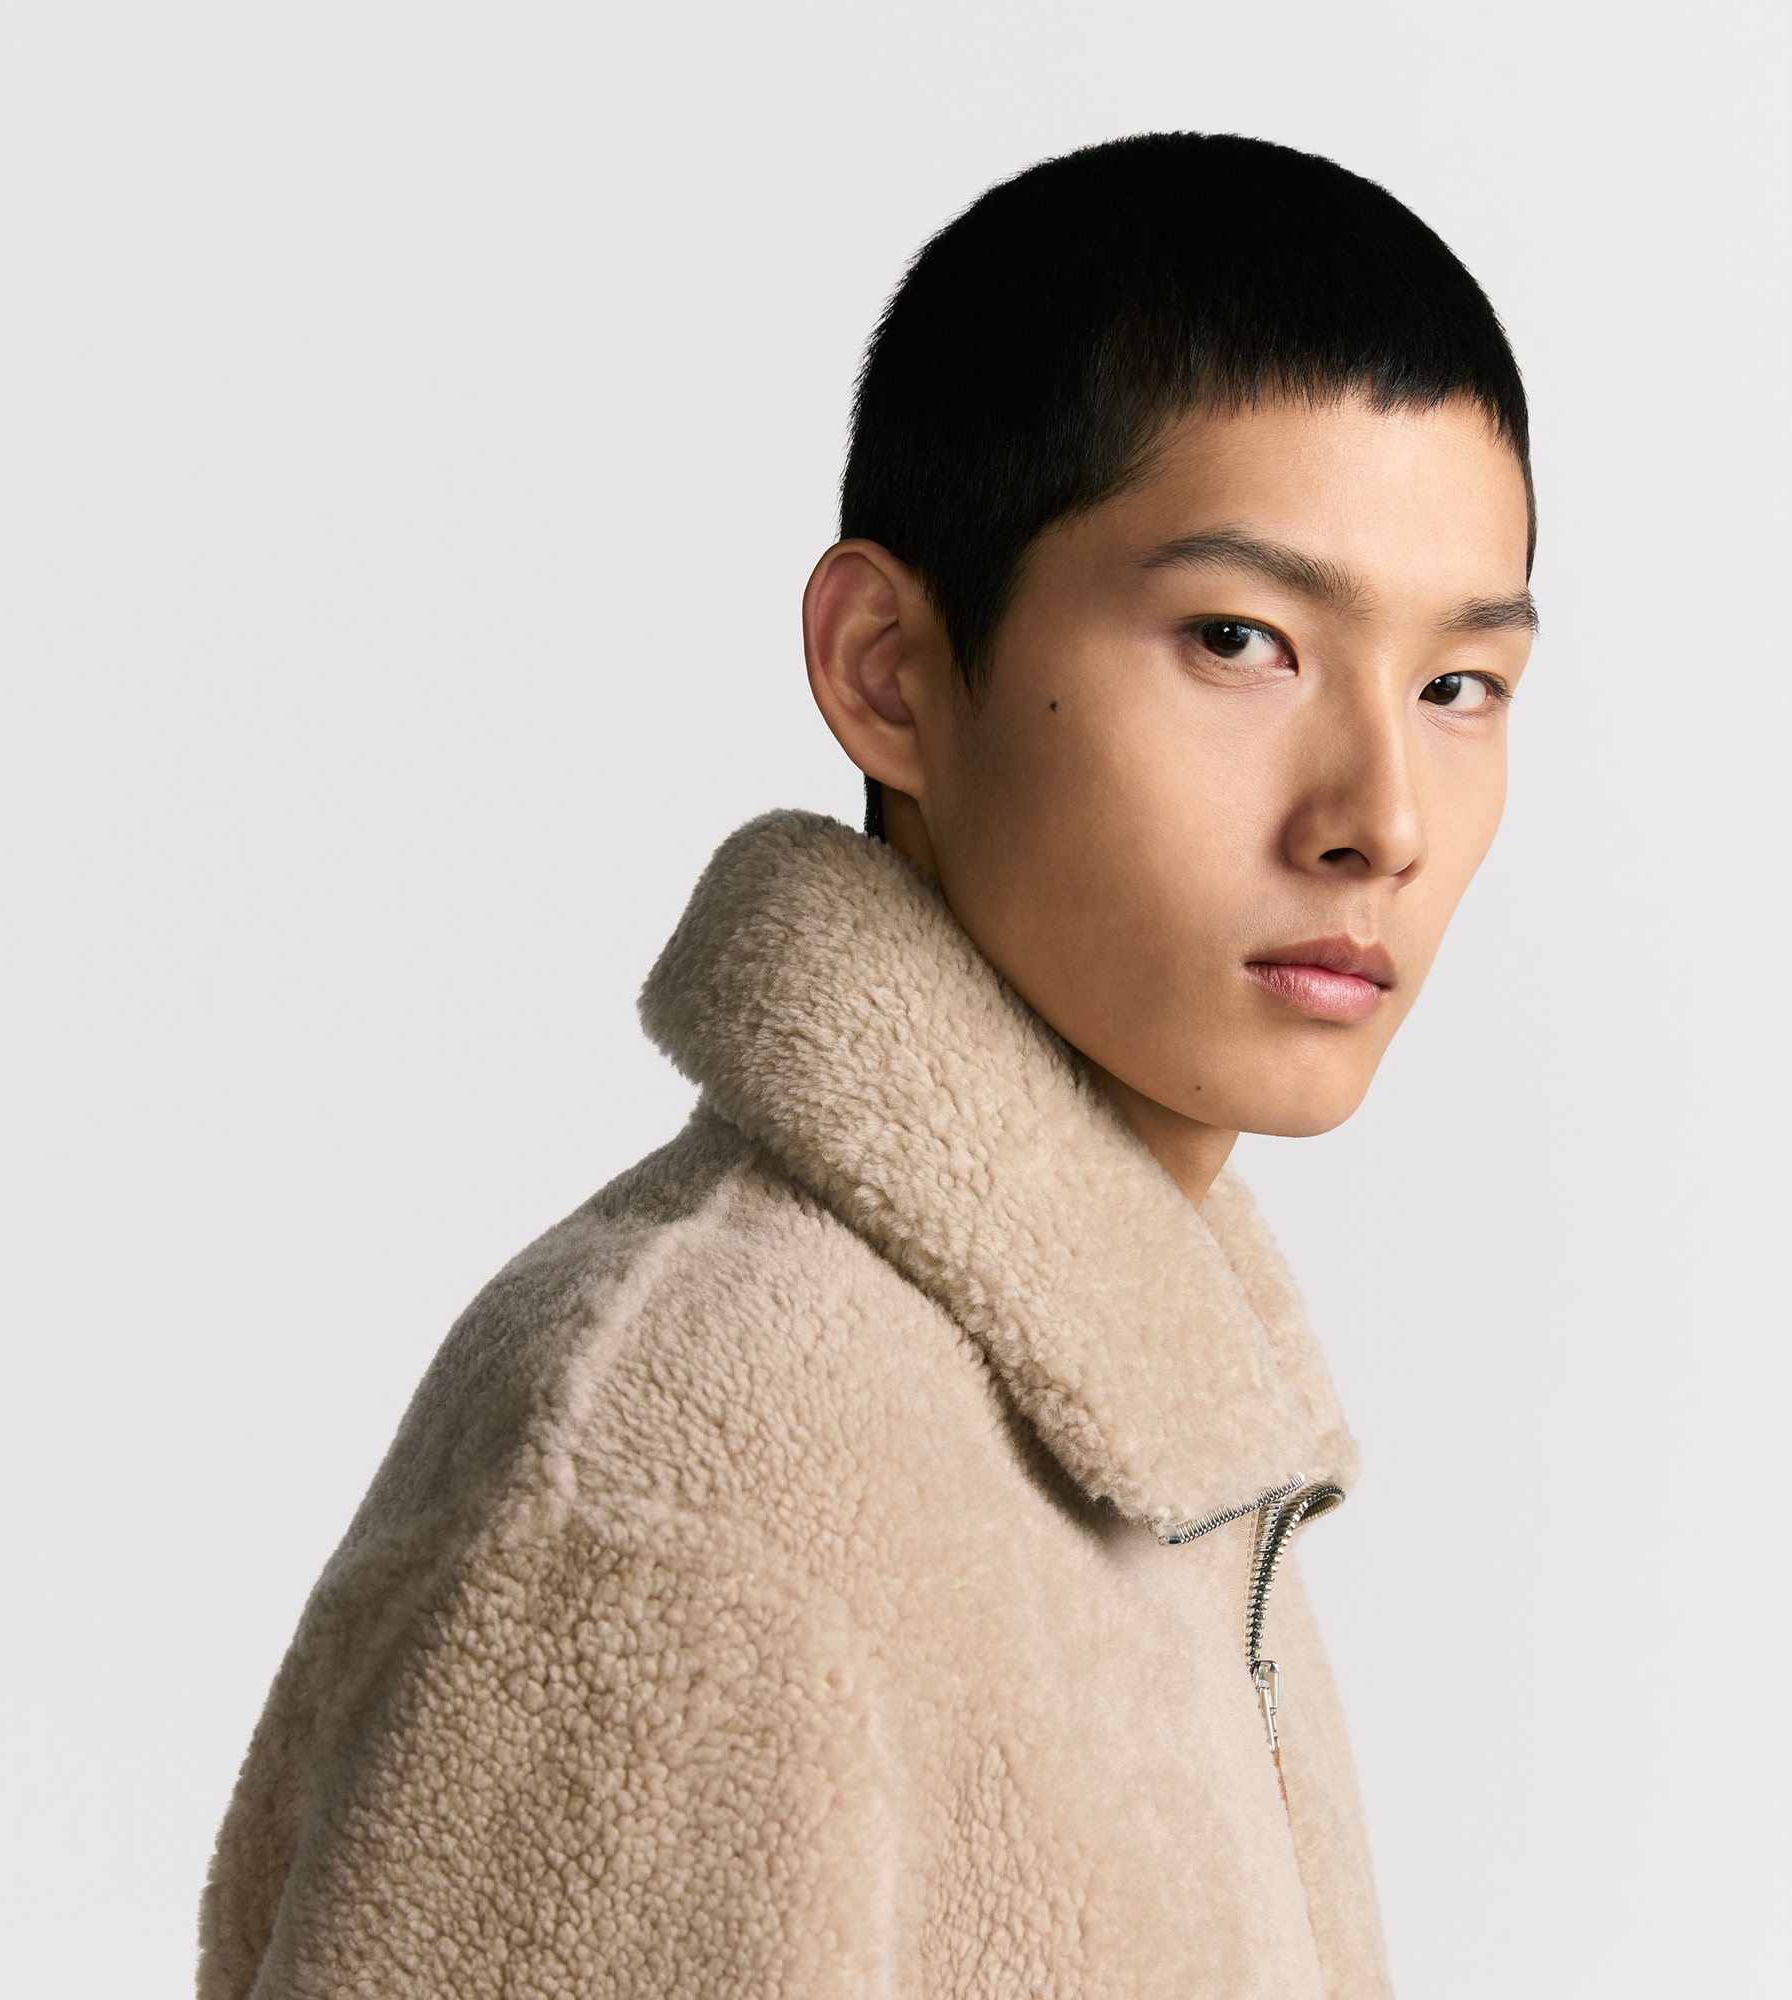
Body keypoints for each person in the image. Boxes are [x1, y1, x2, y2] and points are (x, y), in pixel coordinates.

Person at [199, 132, 1535, 1998]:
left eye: (1457, 685)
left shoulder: (1149, 1428)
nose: (1379, 817)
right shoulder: (703, 1484)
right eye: (1239, 640)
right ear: (888, 669)